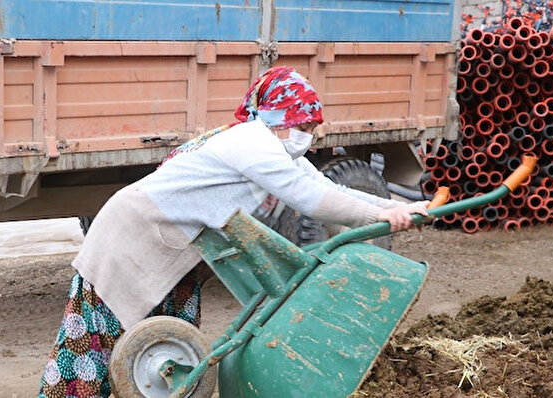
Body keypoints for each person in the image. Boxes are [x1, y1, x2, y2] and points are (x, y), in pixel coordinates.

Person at [38, 66, 428, 398]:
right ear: (280, 116)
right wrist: (377, 216)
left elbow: (330, 189)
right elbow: (310, 199)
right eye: (304, 125)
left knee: (166, 337)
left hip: (172, 242)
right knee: (97, 340)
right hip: (133, 235)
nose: (310, 135)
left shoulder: (272, 145)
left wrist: (398, 208)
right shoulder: (252, 143)